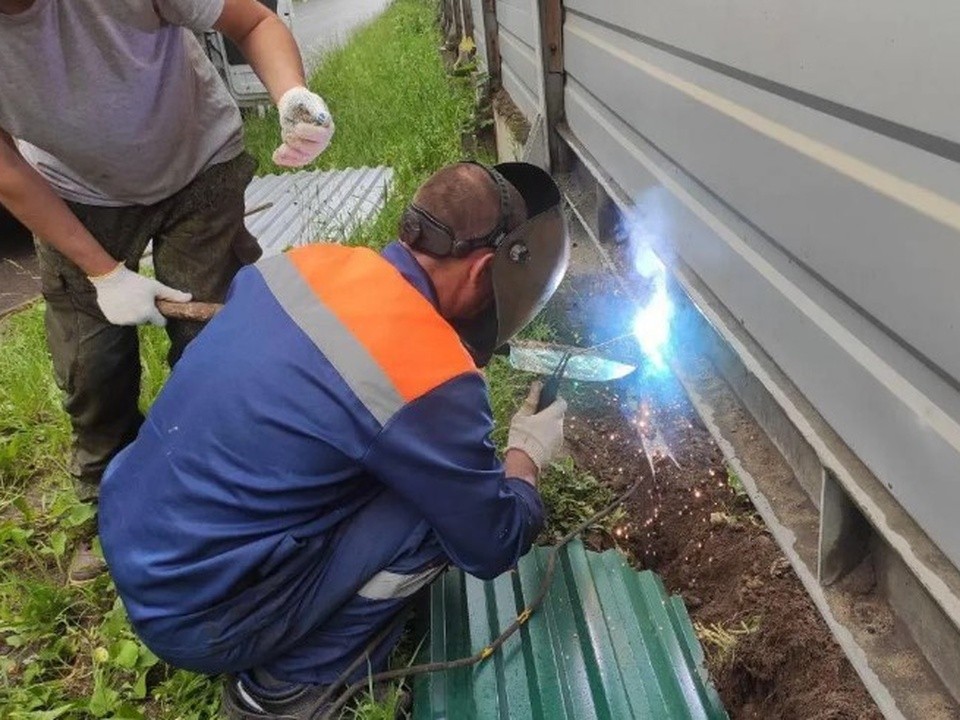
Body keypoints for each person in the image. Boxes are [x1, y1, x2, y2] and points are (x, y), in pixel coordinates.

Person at [98, 161, 570, 719]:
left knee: (403, 470)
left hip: (137, 541)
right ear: (483, 271)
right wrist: (526, 456)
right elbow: (493, 541)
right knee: (438, 517)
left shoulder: (305, 263)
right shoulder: (427, 378)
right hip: (202, 617)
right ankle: (285, 690)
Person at [0, 0, 335, 581]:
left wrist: (292, 96)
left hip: (199, 165)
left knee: (212, 347)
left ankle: (216, 489)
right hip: (71, 192)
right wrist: (102, 272)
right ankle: (110, 505)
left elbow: (253, 21)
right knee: (92, 362)